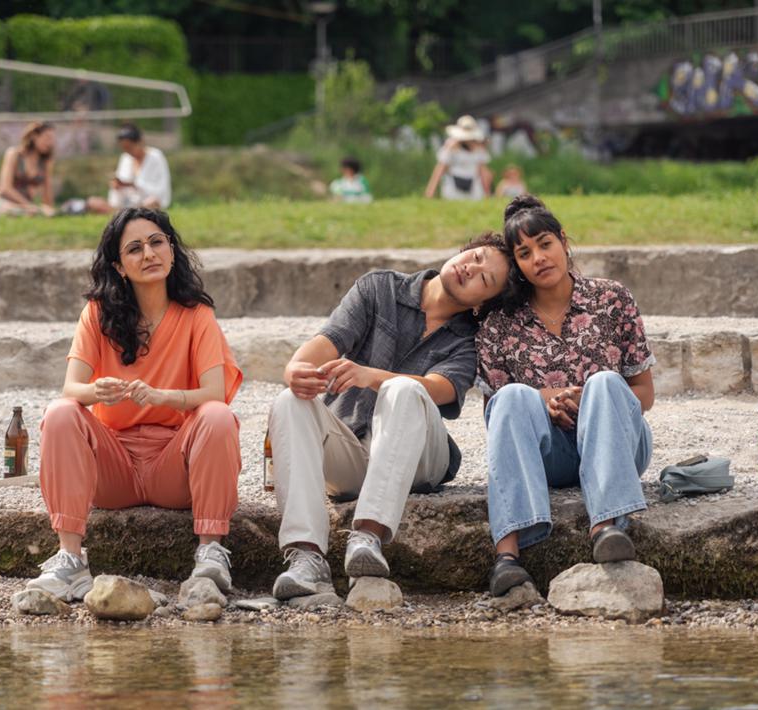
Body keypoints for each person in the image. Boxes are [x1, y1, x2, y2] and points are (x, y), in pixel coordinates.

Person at [266, 235, 511, 601]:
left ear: (482, 304)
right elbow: (324, 343)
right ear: (463, 251)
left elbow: (439, 388)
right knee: (289, 401)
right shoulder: (378, 288)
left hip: (419, 461)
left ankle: (367, 538)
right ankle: (306, 559)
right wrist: (295, 370)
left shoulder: (472, 340)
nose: (470, 268)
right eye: (475, 257)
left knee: (405, 390)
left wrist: (370, 376)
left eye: (484, 279)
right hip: (352, 451)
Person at [26, 207, 243, 601]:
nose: (149, 254)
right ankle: (70, 560)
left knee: (217, 415)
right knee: (60, 413)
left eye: (157, 242)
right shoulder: (97, 314)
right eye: (135, 248)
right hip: (114, 471)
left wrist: (165, 398)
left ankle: (211, 552)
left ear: (173, 251)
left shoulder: (198, 316)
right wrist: (99, 391)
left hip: (174, 469)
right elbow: (71, 389)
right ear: (120, 266)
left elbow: (215, 392)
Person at [477, 194, 656, 598]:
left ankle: (606, 528)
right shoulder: (499, 324)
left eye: (545, 244)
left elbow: (644, 394)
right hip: (551, 457)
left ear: (564, 241)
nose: (538, 257)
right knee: (507, 398)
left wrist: (592, 403)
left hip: (620, 443)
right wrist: (546, 401)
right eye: (524, 253)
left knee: (606, 383)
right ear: (517, 266)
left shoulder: (611, 299)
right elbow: (498, 416)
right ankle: (507, 557)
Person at [86, 124, 171, 215]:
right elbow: (119, 192)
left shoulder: (156, 157)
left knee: (151, 202)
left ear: (140, 142)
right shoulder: (125, 158)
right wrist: (117, 186)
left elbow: (161, 192)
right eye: (124, 148)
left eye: (130, 147)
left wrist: (134, 185)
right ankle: (123, 213)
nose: (128, 152)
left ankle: (125, 214)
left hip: (147, 203)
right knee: (92, 201)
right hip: (126, 205)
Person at [0, 121, 56, 217]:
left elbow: (47, 190)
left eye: (52, 139)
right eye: (47, 138)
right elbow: (5, 187)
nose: (50, 143)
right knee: (12, 211)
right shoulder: (14, 154)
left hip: (26, 207)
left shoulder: (45, 161)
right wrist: (29, 206)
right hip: (3, 202)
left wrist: (50, 210)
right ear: (34, 136)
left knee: (32, 213)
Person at [424, 115, 492, 200]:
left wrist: (487, 193)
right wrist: (430, 191)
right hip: (453, 186)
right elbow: (440, 168)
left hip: (473, 186)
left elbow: (483, 171)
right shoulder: (451, 147)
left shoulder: (479, 149)